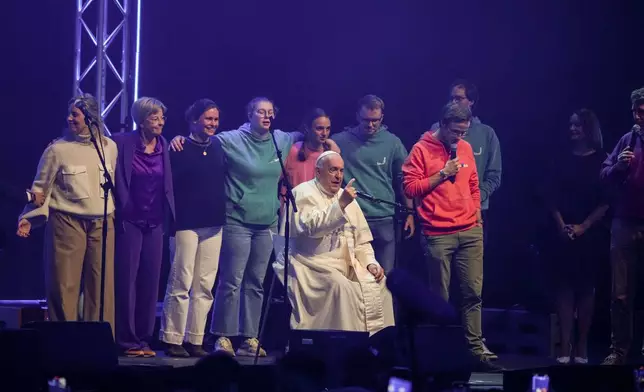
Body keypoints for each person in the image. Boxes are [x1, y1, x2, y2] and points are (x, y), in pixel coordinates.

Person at [169, 97, 300, 357]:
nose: (267, 116)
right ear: (249, 115)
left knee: (256, 282)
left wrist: (328, 143)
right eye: (261, 112)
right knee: (231, 281)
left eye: (270, 113)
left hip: (267, 223)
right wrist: (178, 138)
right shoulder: (230, 139)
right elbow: (200, 139)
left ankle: (249, 337)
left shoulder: (280, 140)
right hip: (236, 220)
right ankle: (223, 336)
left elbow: (304, 135)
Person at [402, 103, 494, 368]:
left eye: (463, 132)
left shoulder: (465, 148)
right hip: (438, 234)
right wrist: (442, 174)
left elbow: (474, 183)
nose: (459, 138)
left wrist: (476, 210)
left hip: (469, 230)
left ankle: (476, 348)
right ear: (442, 124)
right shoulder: (421, 149)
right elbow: (409, 187)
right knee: (439, 298)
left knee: (473, 293)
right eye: (455, 132)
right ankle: (441, 351)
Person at [16, 94, 117, 332]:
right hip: (67, 221)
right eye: (70, 113)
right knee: (64, 285)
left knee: (101, 286)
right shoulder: (57, 150)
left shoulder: (109, 147)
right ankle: (64, 343)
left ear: (91, 118)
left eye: (76, 114)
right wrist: (28, 219)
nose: (70, 118)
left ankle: (98, 343)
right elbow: (41, 188)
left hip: (103, 222)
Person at [273, 151, 394, 334]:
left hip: (347, 264)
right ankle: (343, 348)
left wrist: (371, 263)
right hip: (311, 263)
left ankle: (375, 346)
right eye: (333, 170)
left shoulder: (344, 197)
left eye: (341, 170)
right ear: (318, 172)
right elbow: (311, 229)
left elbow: (360, 240)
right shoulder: (303, 193)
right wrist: (340, 206)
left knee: (382, 283)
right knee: (341, 287)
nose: (338, 176)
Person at [159, 99, 226, 358]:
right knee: (181, 280)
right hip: (185, 223)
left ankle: (195, 338)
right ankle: (173, 337)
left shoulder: (219, 146)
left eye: (216, 120)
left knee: (205, 284)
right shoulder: (178, 147)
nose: (213, 124)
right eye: (208, 119)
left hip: (214, 223)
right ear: (194, 120)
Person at [112, 97, 175, 357]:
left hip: (155, 221)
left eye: (162, 117)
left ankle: (143, 338)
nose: (160, 122)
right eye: (154, 117)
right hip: (130, 220)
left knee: (150, 281)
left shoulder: (164, 145)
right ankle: (126, 340)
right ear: (141, 119)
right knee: (127, 280)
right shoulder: (121, 143)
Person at [547, 109, 608, 364]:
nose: (572, 129)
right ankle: (565, 344)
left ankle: (582, 345)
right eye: (570, 125)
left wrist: (584, 226)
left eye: (577, 126)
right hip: (562, 232)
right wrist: (562, 226)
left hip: (590, 232)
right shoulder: (560, 158)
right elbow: (550, 196)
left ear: (588, 129)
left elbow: (607, 201)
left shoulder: (603, 160)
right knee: (563, 287)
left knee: (586, 288)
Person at [331, 95, 414, 274]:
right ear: (357, 117)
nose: (370, 125)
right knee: (353, 276)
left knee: (386, 276)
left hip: (384, 218)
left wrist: (409, 212)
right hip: (352, 218)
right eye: (366, 120)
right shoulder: (340, 141)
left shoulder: (392, 142)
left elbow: (403, 178)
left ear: (382, 118)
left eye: (375, 120)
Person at [600, 87, 644, 365]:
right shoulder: (627, 141)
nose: (639, 115)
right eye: (635, 110)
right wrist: (617, 166)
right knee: (620, 292)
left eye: (643, 109)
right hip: (625, 222)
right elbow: (603, 176)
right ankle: (619, 351)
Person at [430, 80, 502, 225]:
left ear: (471, 102)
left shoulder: (486, 133)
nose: (453, 102)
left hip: (475, 211)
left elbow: (494, 175)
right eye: (451, 98)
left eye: (459, 98)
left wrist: (475, 198)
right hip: (442, 211)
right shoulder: (436, 130)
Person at [282, 108, 340, 190]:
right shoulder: (294, 150)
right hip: (296, 201)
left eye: (328, 129)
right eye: (319, 128)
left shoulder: (329, 154)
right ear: (307, 128)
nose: (324, 133)